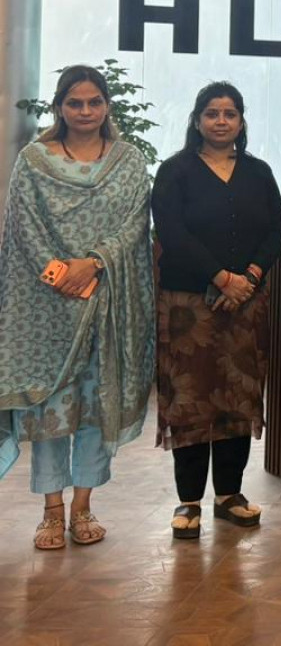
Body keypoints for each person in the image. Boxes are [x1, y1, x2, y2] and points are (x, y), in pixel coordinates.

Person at [0, 64, 154, 550]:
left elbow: (135, 223)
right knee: (52, 406)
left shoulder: (129, 161)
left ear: (106, 106)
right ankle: (51, 510)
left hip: (109, 298)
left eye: (94, 102)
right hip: (47, 303)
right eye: (75, 103)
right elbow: (23, 225)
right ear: (59, 107)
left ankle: (84, 505)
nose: (85, 111)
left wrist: (93, 263)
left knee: (94, 405)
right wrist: (62, 274)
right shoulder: (34, 160)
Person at [152, 81, 281, 539]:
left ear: (242, 121)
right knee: (190, 399)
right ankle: (188, 501)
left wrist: (248, 276)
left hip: (245, 302)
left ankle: (230, 495)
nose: (221, 121)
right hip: (187, 305)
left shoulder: (258, 172)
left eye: (230, 113)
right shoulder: (175, 171)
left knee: (237, 397)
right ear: (197, 120)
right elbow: (171, 231)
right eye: (212, 113)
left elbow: (277, 228)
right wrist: (220, 276)